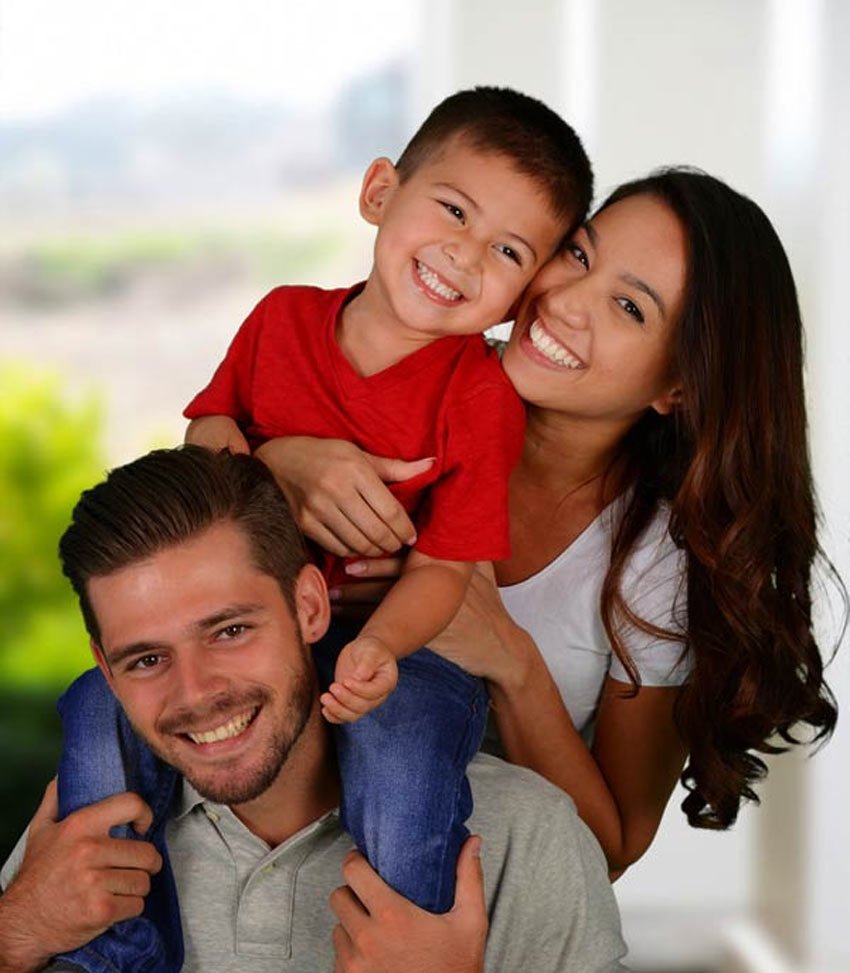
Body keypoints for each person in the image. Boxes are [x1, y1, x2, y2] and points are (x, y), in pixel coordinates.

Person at [53, 85, 593, 918]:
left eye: (509, 252)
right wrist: (261, 462)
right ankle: (117, 948)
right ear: (380, 192)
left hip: (396, 640)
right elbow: (207, 436)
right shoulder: (281, 320)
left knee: (404, 754)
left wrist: (378, 647)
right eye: (453, 209)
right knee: (95, 710)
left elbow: (447, 567)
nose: (464, 254)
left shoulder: (481, 397)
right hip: (250, 630)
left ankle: (403, 942)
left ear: (521, 296)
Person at [261, 167, 843, 877]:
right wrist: (276, 467)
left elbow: (612, 847)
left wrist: (509, 656)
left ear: (679, 385)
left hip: (476, 902)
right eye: (578, 254)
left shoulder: (654, 567)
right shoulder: (409, 370)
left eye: (629, 307)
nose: (565, 303)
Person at [0, 447, 628, 973]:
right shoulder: (71, 846)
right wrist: (17, 932)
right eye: (146, 661)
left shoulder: (526, 833)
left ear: (309, 608)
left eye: (229, 632)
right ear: (104, 669)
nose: (194, 693)